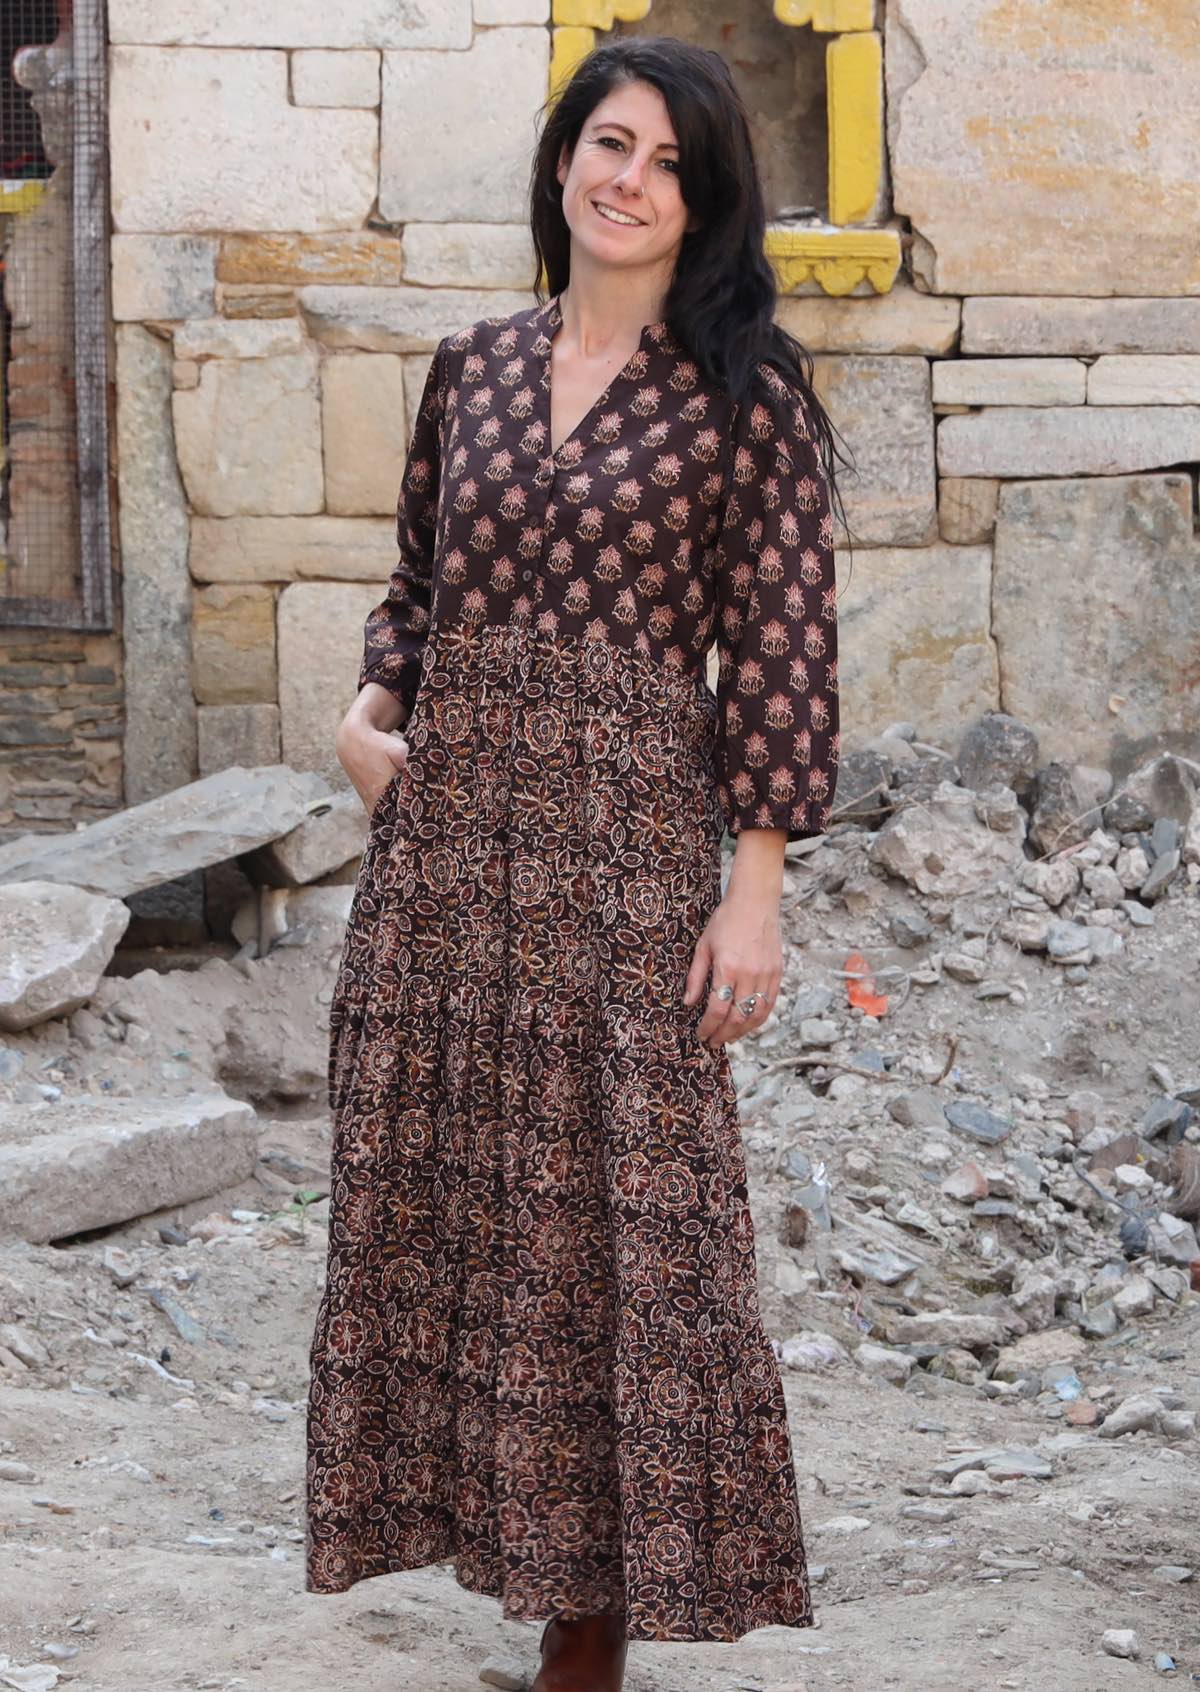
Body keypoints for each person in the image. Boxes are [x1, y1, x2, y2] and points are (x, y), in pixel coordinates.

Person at [306, 33, 843, 1692]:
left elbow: (781, 652)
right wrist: (370, 701)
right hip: (451, 846)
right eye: (612, 145)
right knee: (458, 1208)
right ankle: (507, 1555)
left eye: (673, 164)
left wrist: (754, 890)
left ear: (707, 203)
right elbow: (417, 581)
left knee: (633, 1229)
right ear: (561, 164)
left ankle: (593, 1621)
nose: (633, 182)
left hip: (628, 856)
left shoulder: (746, 394)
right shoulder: (469, 366)